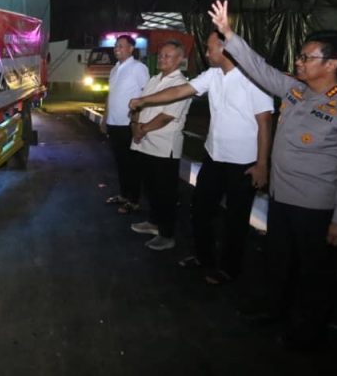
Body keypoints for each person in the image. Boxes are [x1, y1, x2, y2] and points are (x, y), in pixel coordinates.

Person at [208, 0, 337, 351]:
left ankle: (309, 332)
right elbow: (260, 69)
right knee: (278, 262)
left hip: (317, 209)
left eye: (306, 57)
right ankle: (274, 310)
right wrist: (229, 35)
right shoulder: (296, 91)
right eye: (300, 56)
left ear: (331, 64)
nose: (298, 62)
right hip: (282, 200)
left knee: (316, 275)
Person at [130, 30, 273, 284]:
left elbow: (265, 122)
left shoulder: (254, 77)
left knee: (236, 219)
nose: (206, 53)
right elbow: (179, 91)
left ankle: (229, 269)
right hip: (214, 155)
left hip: (244, 162)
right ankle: (203, 257)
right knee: (201, 210)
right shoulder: (213, 75)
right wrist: (143, 100)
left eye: (209, 48)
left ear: (227, 48)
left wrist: (262, 164)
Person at [127, 41, 192, 251]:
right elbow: (139, 104)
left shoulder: (181, 85)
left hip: (164, 148)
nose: (162, 59)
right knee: (151, 188)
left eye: (168, 56)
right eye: (161, 55)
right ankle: (153, 222)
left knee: (165, 193)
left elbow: (166, 117)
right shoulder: (154, 79)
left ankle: (166, 234)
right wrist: (135, 125)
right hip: (144, 143)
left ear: (179, 60)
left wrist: (141, 129)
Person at [99, 35, 150, 213]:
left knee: (132, 164)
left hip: (128, 124)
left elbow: (145, 95)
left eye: (121, 46)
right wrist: (105, 117)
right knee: (120, 162)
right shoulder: (115, 69)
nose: (116, 49)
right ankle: (123, 195)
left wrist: (137, 120)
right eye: (116, 46)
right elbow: (110, 95)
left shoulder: (138, 68)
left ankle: (133, 200)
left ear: (131, 49)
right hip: (114, 123)